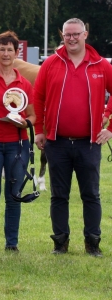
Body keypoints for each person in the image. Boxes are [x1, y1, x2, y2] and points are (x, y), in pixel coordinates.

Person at [34, 18, 112, 257]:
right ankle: (60, 243)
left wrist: (110, 127)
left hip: (89, 143)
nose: (71, 38)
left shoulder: (100, 65)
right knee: (59, 195)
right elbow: (38, 97)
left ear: (85, 34)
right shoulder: (51, 63)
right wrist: (39, 129)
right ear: (63, 36)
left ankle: (92, 243)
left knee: (91, 195)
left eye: (76, 34)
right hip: (57, 143)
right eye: (67, 34)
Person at [0, 31, 36, 253]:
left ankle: (12, 243)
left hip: (17, 144)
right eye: (1, 49)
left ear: (16, 53)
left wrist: (25, 123)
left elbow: (33, 116)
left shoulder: (24, 84)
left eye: (10, 49)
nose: (5, 53)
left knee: (14, 195)